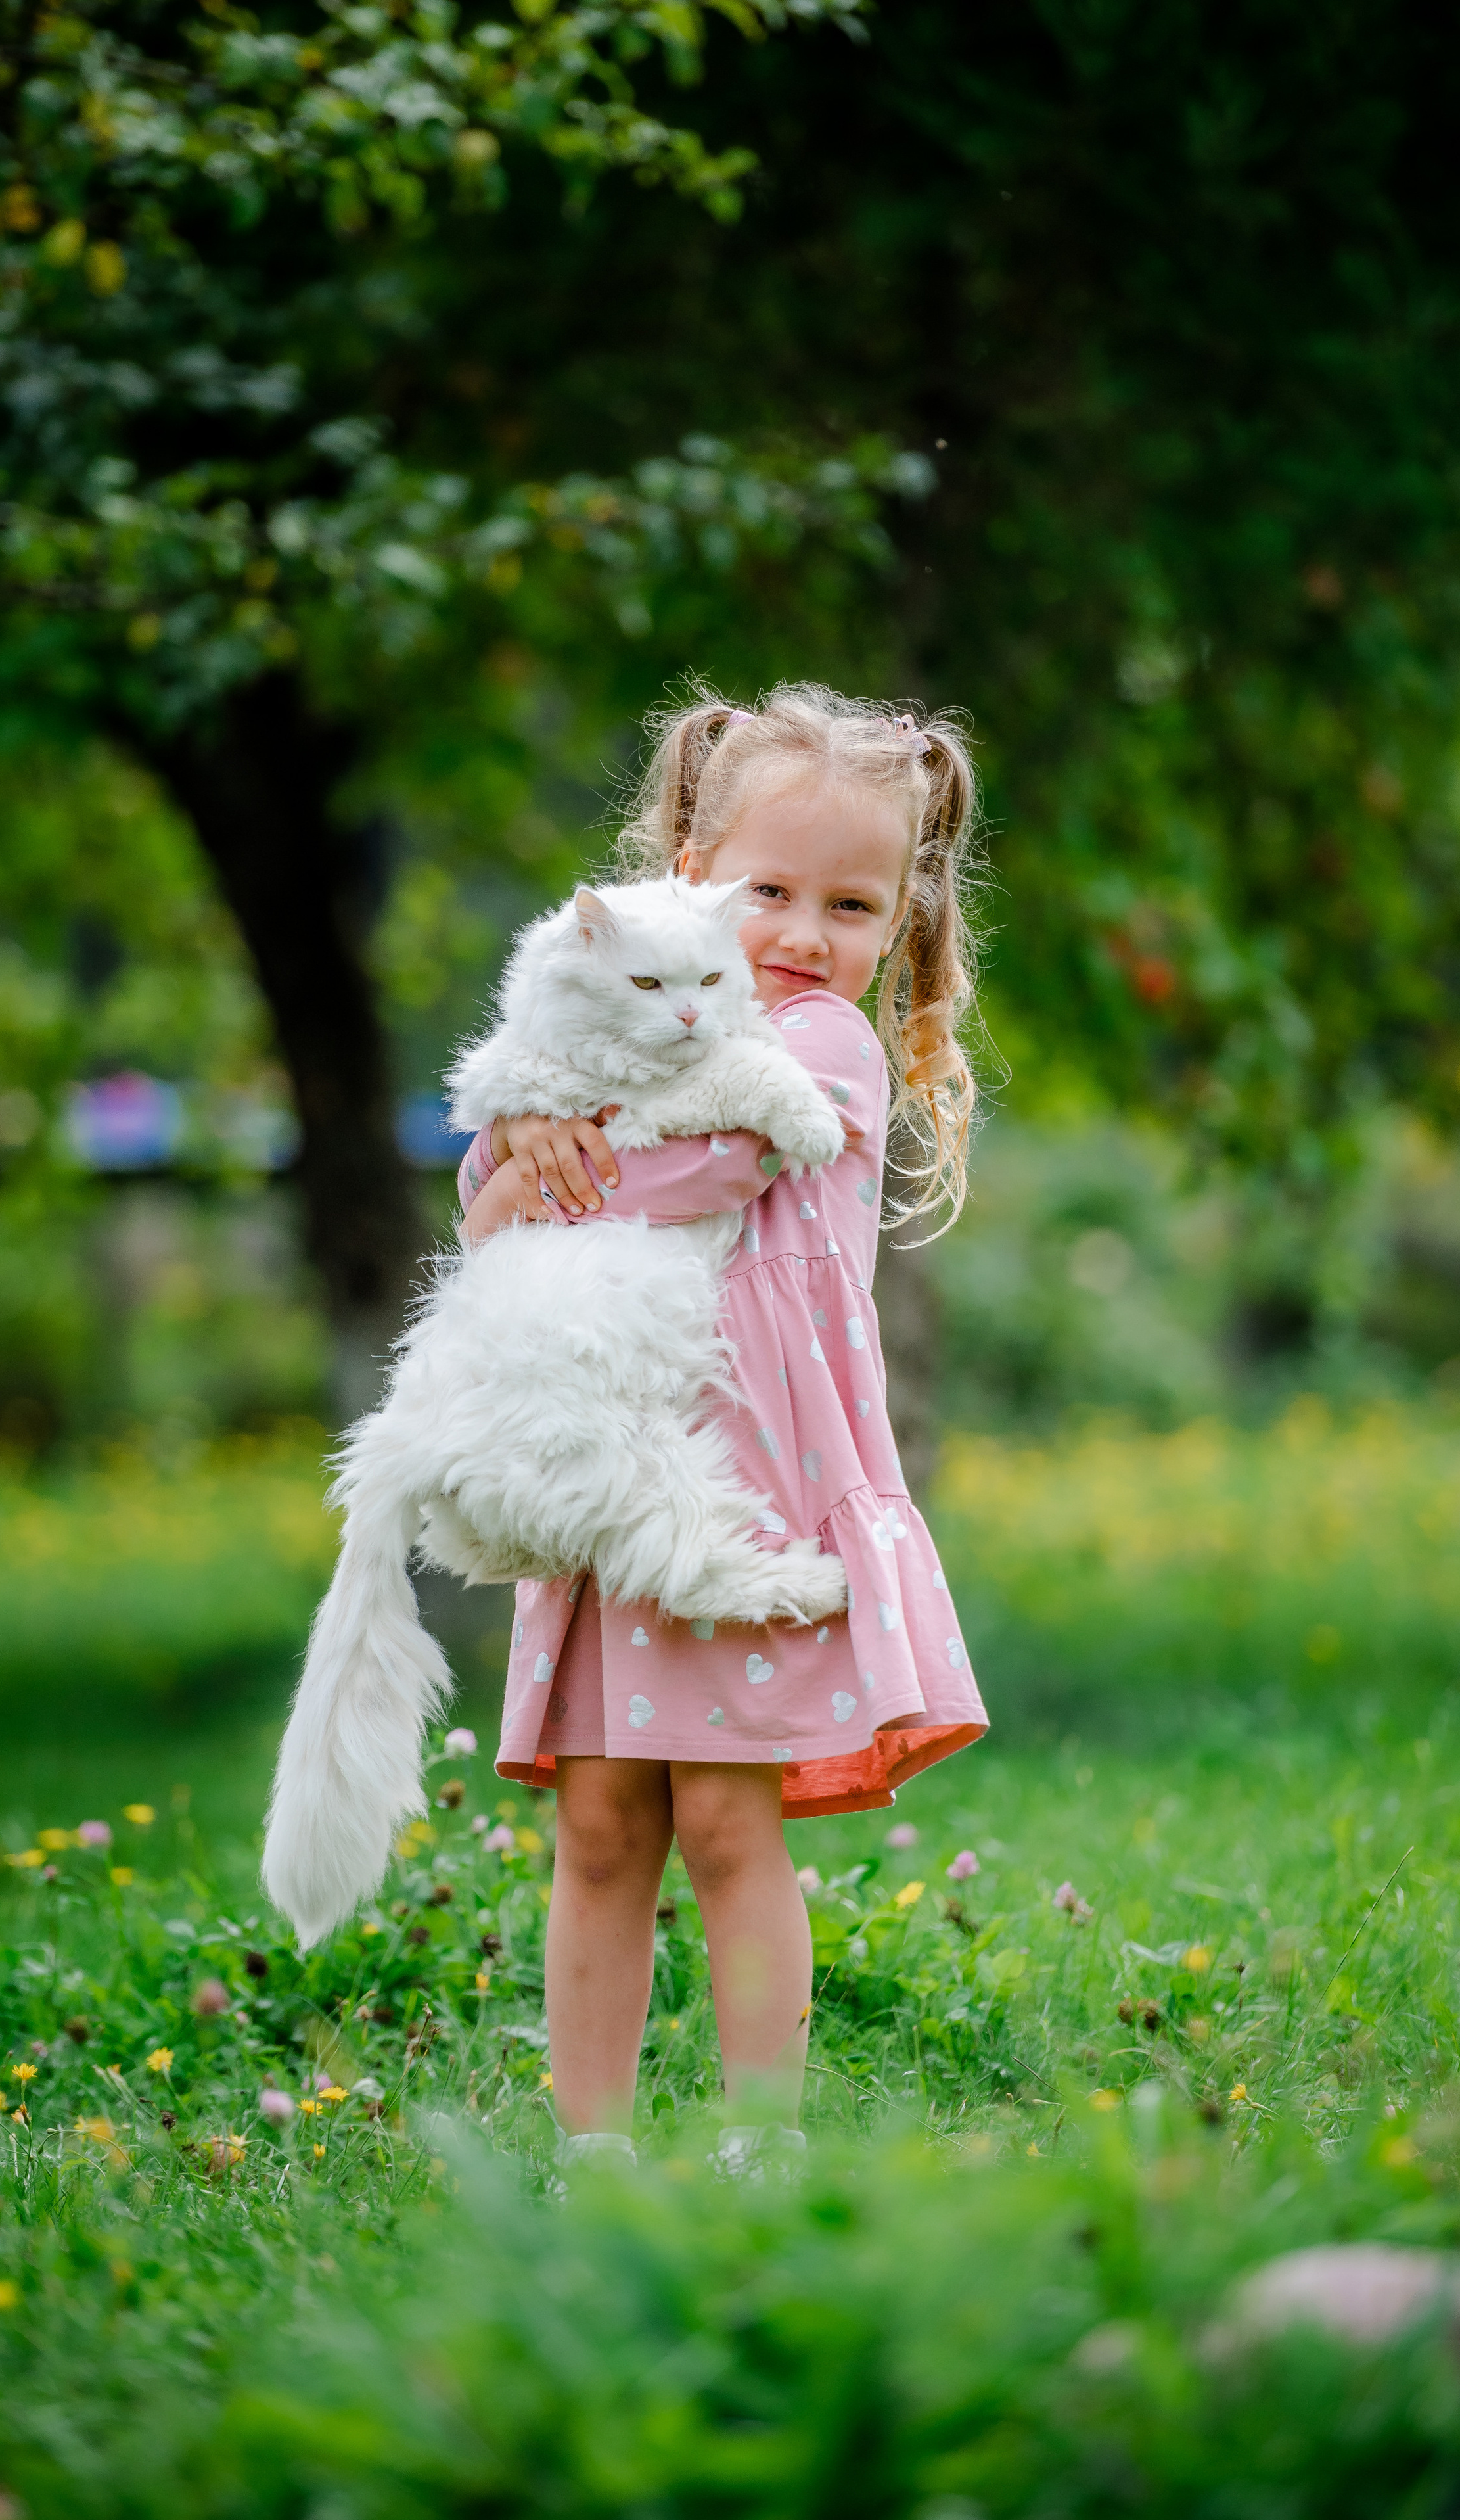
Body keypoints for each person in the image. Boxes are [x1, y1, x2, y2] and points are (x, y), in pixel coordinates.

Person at [457, 684, 990, 2174]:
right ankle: (594, 2156)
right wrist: (512, 1140)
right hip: (602, 1481)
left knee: (726, 1828)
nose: (804, 935)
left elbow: (657, 1180)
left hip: (737, 1503)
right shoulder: (637, 1026)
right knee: (602, 1829)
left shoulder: (817, 1049)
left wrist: (538, 1149)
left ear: (897, 924)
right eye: (769, 891)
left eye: (851, 903)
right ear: (686, 871)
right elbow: (499, 1213)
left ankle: (763, 2144)